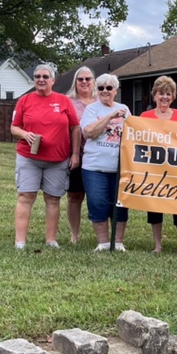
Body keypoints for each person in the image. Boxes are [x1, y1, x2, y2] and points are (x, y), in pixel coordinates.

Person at [10, 63, 80, 250]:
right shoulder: (24, 100)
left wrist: (74, 154)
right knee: (26, 196)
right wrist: (25, 134)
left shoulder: (64, 101)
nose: (41, 79)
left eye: (45, 76)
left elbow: (75, 128)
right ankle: (20, 241)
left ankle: (51, 240)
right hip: (29, 157)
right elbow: (14, 127)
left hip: (57, 160)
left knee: (53, 198)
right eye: (37, 76)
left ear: (53, 80)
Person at [141, 76, 177, 257]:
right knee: (155, 206)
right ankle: (157, 245)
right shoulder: (145, 117)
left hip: (176, 170)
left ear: (173, 96)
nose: (164, 97)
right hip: (154, 170)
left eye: (168, 94)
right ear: (154, 95)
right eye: (161, 93)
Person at [80, 73, 131, 252]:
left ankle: (117, 242)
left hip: (120, 167)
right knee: (97, 202)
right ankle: (102, 242)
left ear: (115, 90)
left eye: (109, 88)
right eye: (101, 88)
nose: (105, 91)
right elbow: (90, 133)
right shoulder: (92, 110)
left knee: (120, 204)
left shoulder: (124, 108)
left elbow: (133, 134)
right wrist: (110, 117)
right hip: (94, 167)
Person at [65, 66, 97, 244]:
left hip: (98, 155)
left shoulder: (103, 100)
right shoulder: (67, 101)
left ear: (94, 82)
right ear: (75, 82)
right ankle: (74, 235)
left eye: (88, 79)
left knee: (97, 196)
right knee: (75, 196)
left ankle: (102, 234)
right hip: (75, 154)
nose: (84, 82)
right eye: (80, 79)